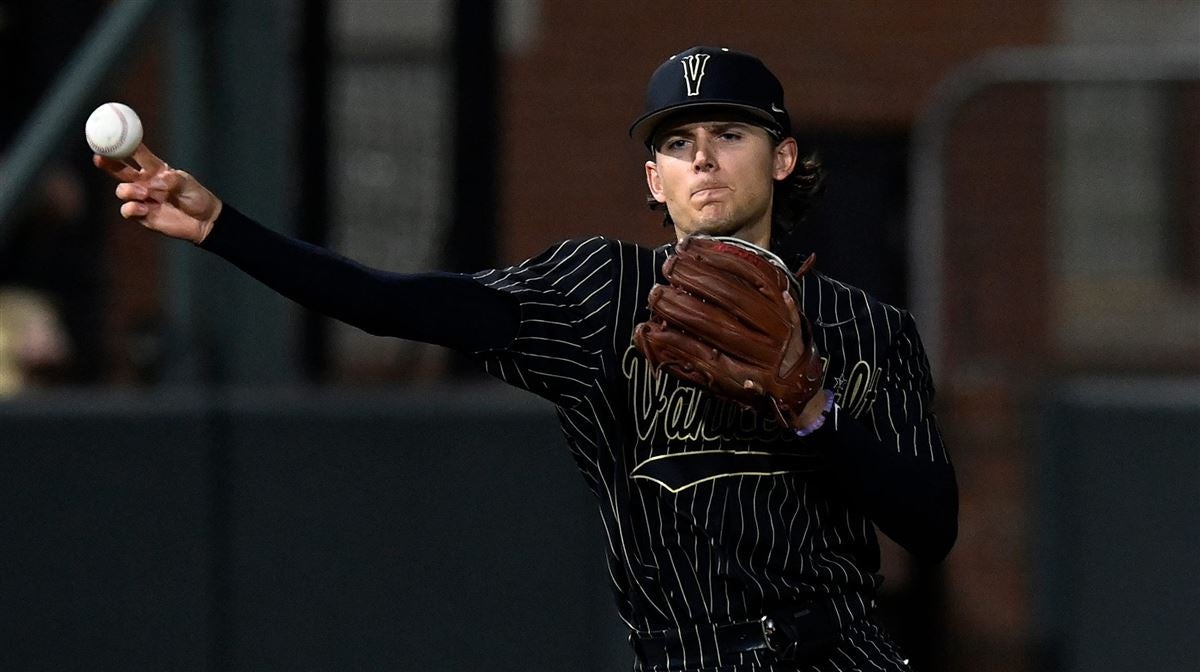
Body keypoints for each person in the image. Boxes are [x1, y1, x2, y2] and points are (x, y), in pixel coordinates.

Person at [97, 46, 956, 671]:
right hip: (687, 656)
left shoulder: (867, 328)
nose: (701, 156)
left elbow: (933, 525)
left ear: (784, 157)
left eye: (729, 133)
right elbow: (395, 302)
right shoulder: (597, 290)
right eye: (675, 141)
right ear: (653, 180)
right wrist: (221, 227)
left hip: (843, 652)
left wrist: (814, 412)